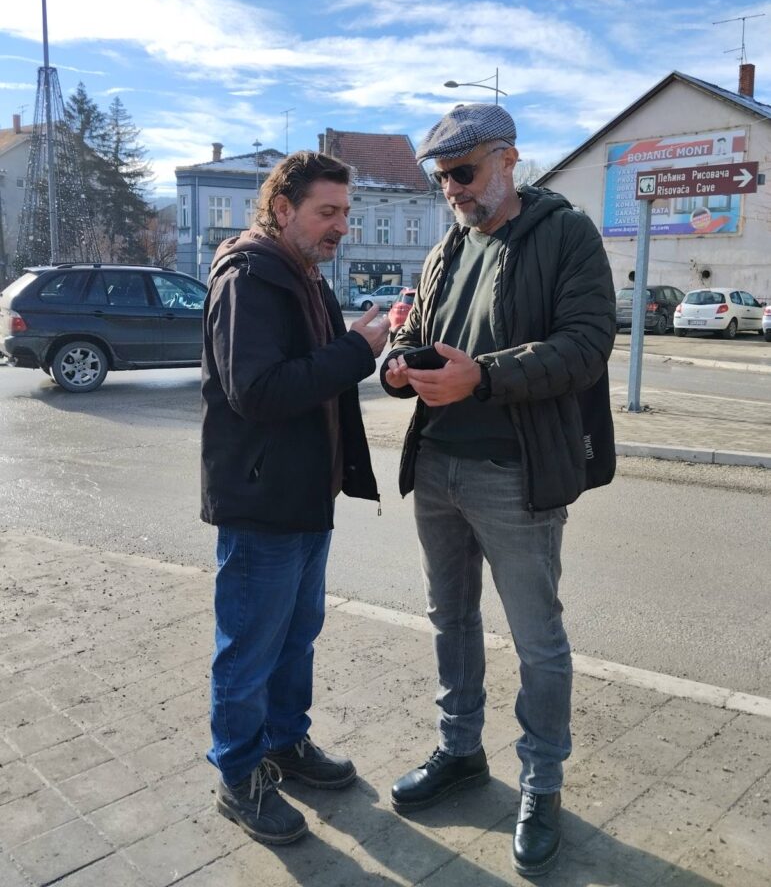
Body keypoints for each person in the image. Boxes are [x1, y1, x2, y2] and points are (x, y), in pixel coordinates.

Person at [381, 104, 616, 877]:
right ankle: (459, 752)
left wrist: (481, 377)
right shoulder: (445, 248)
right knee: (448, 620)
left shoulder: (565, 235)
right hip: (436, 467)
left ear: (507, 160)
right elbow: (419, 337)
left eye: (461, 172)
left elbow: (585, 346)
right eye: (440, 177)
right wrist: (398, 367)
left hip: (515, 474)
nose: (450, 189)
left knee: (536, 640)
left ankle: (540, 784)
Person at [201, 150, 389, 846]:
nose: (341, 225)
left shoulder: (305, 276)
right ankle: (238, 774)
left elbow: (317, 373)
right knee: (249, 647)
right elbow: (257, 392)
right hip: (262, 501)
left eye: (346, 212)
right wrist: (355, 352)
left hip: (307, 496)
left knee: (295, 636)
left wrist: (378, 351)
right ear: (283, 209)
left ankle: (285, 742)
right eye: (327, 212)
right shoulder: (249, 278)